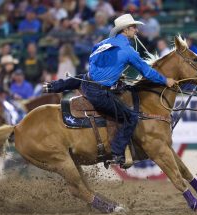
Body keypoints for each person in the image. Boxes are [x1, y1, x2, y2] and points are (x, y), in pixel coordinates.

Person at [44, 14, 177, 164]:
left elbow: (93, 63)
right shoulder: (128, 51)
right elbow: (147, 72)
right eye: (133, 27)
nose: (136, 30)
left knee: (82, 78)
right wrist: (166, 80)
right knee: (131, 117)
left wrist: (110, 75)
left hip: (86, 82)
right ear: (125, 30)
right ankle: (117, 152)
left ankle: (53, 86)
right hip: (98, 93)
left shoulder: (102, 44)